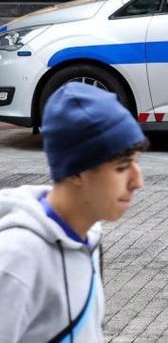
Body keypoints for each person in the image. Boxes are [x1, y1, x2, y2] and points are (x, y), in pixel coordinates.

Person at [0, 82, 147, 343]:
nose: (138, 181)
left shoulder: (89, 238)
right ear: (77, 171)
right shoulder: (16, 259)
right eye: (122, 167)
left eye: (136, 163)